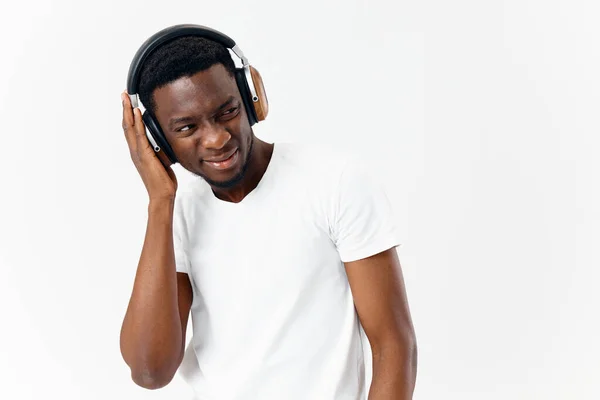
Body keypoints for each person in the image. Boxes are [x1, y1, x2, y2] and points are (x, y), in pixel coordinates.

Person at [119, 24, 417, 400]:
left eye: (227, 111)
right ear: (158, 140)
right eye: (187, 127)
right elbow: (150, 371)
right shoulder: (178, 216)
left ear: (251, 97)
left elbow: (394, 346)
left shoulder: (334, 181)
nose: (216, 138)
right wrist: (160, 202)